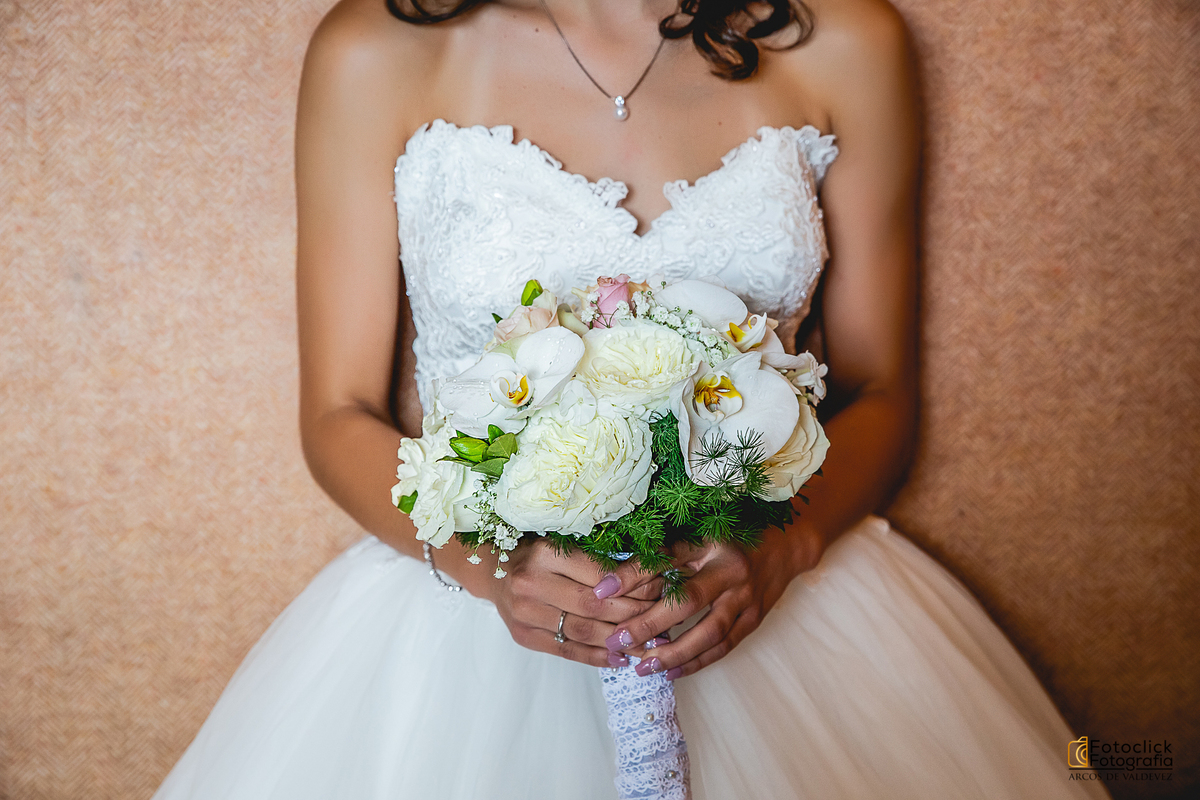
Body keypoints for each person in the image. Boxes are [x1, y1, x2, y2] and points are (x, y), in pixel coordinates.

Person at [153, 0, 1110, 797]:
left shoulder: (847, 39)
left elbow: (883, 392)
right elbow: (336, 413)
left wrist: (781, 552)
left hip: (770, 593)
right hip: (469, 621)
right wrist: (493, 568)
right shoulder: (378, 50)